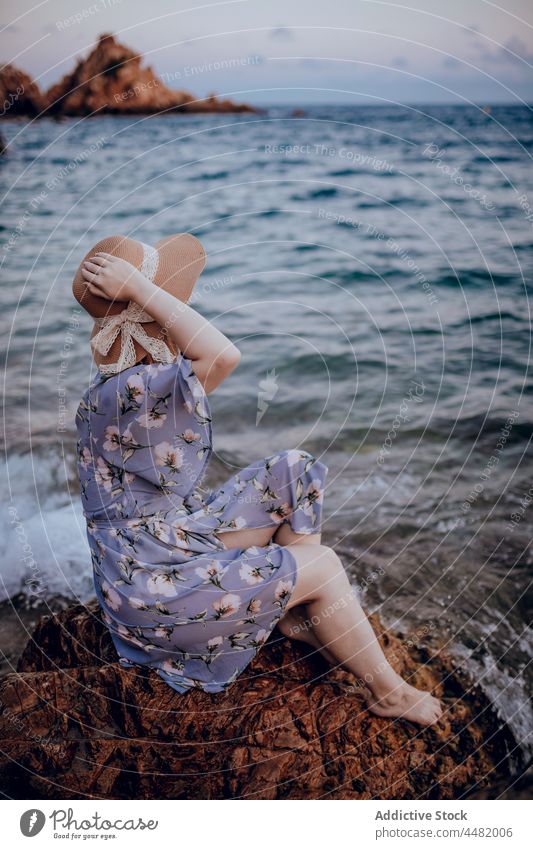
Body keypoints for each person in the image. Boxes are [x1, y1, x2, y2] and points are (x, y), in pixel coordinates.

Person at [74, 233, 442, 726]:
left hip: (161, 545)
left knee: (295, 469)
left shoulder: (130, 382)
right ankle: (386, 692)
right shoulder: (135, 389)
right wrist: (142, 288)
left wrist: (139, 291)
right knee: (327, 564)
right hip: (150, 590)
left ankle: (297, 606)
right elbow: (222, 355)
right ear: (152, 313)